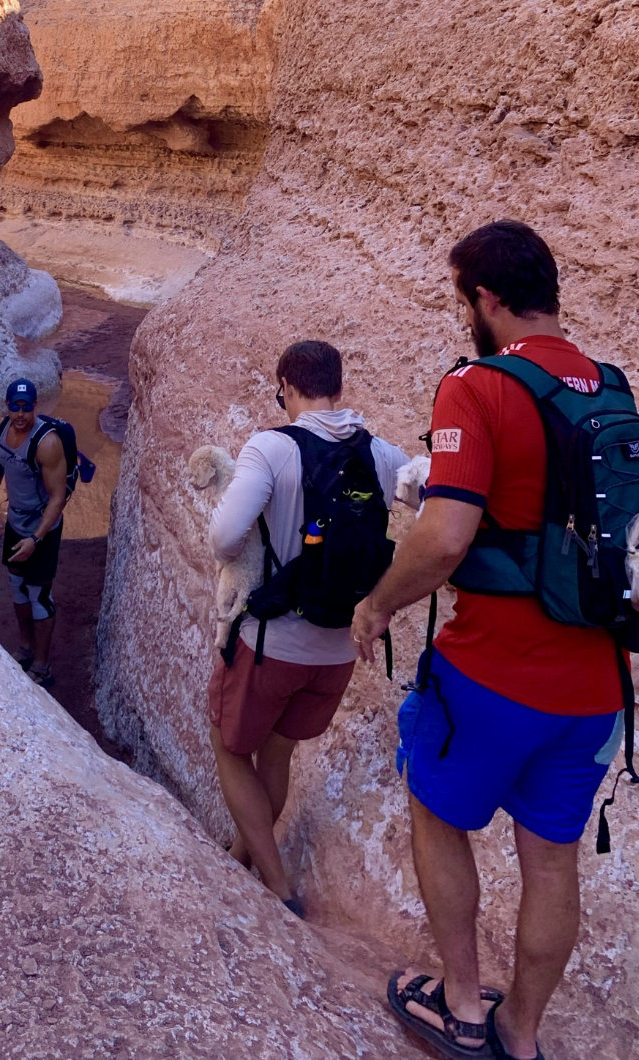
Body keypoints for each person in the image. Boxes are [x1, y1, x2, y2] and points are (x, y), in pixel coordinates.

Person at [353, 221, 639, 1060]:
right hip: (596, 687)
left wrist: (378, 606)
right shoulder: (610, 387)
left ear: (485, 298)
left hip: (493, 677)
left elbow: (444, 538)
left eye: (463, 300)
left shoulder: (477, 385)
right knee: (553, 863)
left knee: (438, 819)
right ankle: (522, 1032)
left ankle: (462, 1005)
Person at [206, 339, 408, 917]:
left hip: (273, 642)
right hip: (337, 649)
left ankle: (278, 886)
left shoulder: (271, 447)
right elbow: (429, 494)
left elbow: (226, 537)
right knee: (278, 752)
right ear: (339, 389)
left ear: (286, 388)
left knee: (226, 744)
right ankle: (241, 859)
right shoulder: (381, 454)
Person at [0, 378, 68, 688]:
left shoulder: (47, 443)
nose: (21, 414)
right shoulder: (0, 428)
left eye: (27, 408)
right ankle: (25, 648)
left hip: (43, 529)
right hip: (15, 523)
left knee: (39, 595)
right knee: (17, 587)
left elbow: (58, 497)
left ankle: (43, 666)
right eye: (16, 407)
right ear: (7, 406)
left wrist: (36, 539)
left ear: (35, 407)